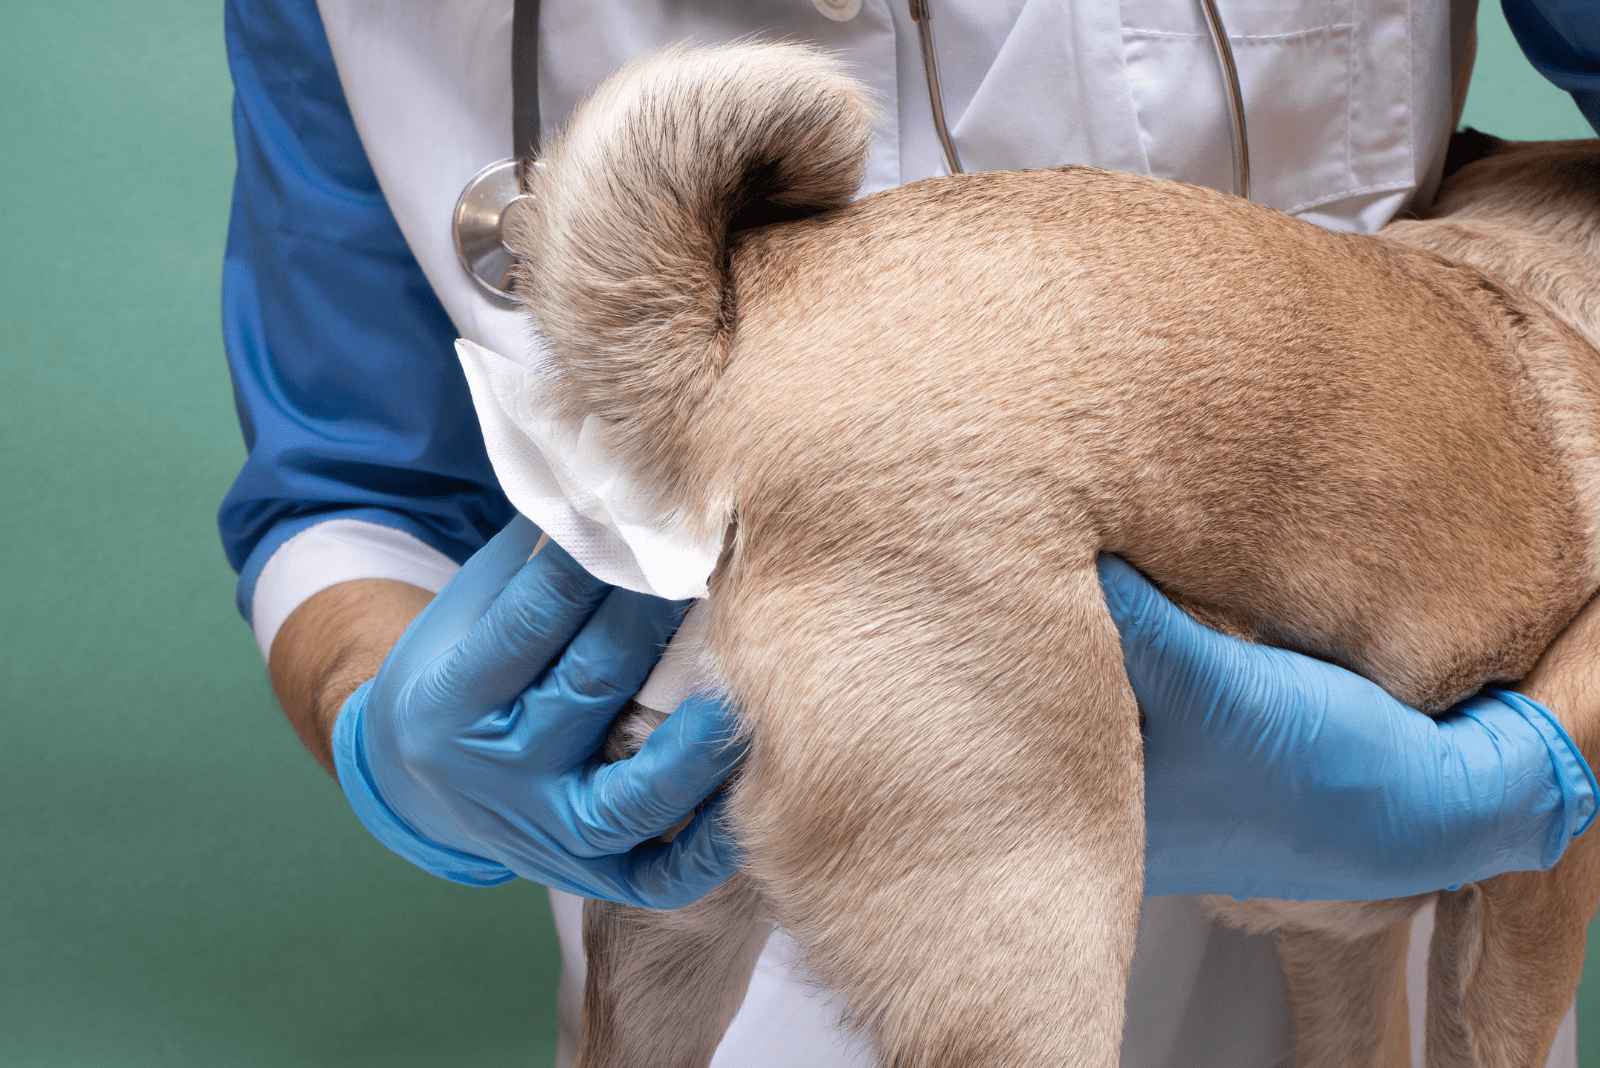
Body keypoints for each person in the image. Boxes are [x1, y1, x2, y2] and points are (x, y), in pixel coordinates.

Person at [219, 1, 1600, 1064]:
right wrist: (395, 736)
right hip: (735, 921)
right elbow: (350, 486)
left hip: (1331, 924)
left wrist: (1554, 754)